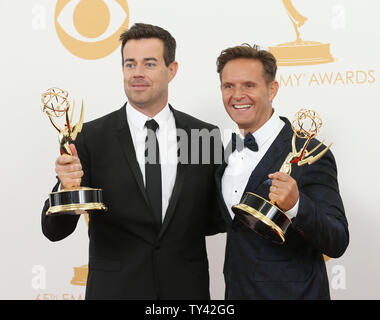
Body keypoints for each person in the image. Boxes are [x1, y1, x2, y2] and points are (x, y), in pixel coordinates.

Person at [41, 23, 225, 300]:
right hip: (115, 291)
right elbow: (54, 231)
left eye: (149, 64)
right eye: (130, 64)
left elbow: (215, 217)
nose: (137, 73)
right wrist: (66, 190)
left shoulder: (202, 135)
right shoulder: (90, 137)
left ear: (171, 70)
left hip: (185, 291)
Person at [215, 44, 349, 299]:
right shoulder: (227, 151)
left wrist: (297, 205)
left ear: (272, 89)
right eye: (228, 86)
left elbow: (338, 240)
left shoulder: (309, 154)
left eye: (249, 85)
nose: (237, 95)